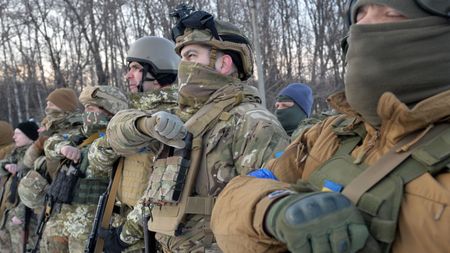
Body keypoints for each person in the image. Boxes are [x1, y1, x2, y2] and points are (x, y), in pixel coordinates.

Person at [210, 1, 450, 253]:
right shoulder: (330, 133)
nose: (361, 29)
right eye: (359, 15)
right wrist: (275, 209)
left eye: (392, 13)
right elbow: (235, 197)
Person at [105, 9, 289, 252]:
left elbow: (270, 219)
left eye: (191, 55)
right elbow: (116, 135)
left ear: (224, 63)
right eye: (182, 57)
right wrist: (144, 124)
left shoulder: (252, 123)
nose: (183, 66)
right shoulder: (188, 117)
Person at [88, 36, 180, 253]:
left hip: (152, 235)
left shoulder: (173, 117)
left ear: (156, 71)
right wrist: (118, 139)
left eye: (136, 68)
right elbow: (96, 161)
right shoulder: (128, 115)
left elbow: (166, 187)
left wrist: (124, 236)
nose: (128, 75)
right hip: (122, 223)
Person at [19, 85, 128, 253]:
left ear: (109, 110)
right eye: (85, 109)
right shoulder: (80, 134)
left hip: (90, 226)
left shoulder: (117, 139)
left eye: (90, 108)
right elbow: (51, 143)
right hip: (62, 221)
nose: (86, 113)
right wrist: (63, 148)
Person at [0, 120, 39, 253]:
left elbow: (31, 192)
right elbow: (2, 165)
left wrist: (20, 216)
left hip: (24, 218)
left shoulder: (34, 157)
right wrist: (6, 166)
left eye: (18, 134)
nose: (14, 137)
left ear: (29, 136)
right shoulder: (14, 153)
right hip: (8, 214)